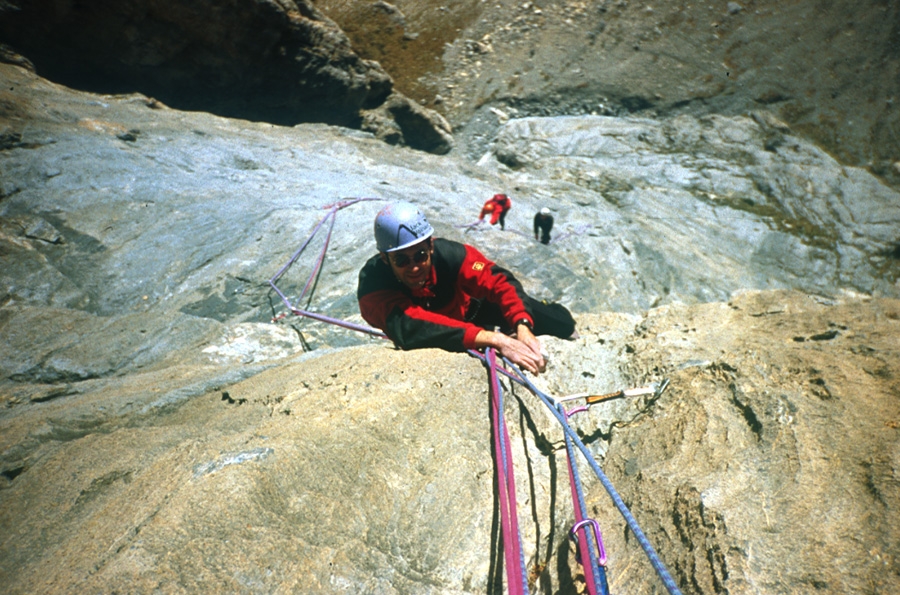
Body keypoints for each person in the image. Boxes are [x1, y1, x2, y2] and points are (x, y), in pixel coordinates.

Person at [357, 201, 577, 375]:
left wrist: (522, 324)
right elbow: (413, 326)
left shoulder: (451, 255)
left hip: (473, 311)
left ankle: (548, 315)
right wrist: (496, 340)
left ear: (431, 247)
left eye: (420, 256)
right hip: (445, 331)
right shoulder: (373, 287)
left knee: (561, 324)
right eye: (401, 260)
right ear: (385, 259)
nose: (414, 267)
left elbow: (496, 279)